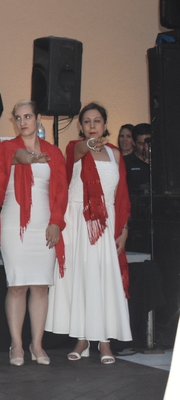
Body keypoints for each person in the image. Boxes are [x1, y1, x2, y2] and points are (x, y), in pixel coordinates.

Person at [46, 103, 132, 364]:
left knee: (102, 279)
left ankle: (104, 341)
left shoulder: (115, 154)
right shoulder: (75, 148)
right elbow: (83, 149)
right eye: (87, 121)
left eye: (97, 121)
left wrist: (124, 229)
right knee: (80, 278)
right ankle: (82, 338)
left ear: (105, 125)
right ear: (81, 126)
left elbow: (122, 197)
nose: (92, 126)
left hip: (106, 225)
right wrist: (91, 144)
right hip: (77, 222)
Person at [0, 100, 66, 366]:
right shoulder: (6, 148)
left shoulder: (54, 152)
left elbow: (61, 190)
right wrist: (29, 158)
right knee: (17, 285)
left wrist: (56, 222)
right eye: (18, 118)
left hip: (45, 223)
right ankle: (16, 344)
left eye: (28, 116)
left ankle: (36, 344)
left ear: (38, 118)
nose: (23, 122)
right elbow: (13, 161)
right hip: (13, 223)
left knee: (40, 286)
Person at [124, 123, 151, 196]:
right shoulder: (125, 162)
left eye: (149, 144)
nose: (146, 148)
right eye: (141, 144)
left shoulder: (163, 163)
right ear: (134, 143)